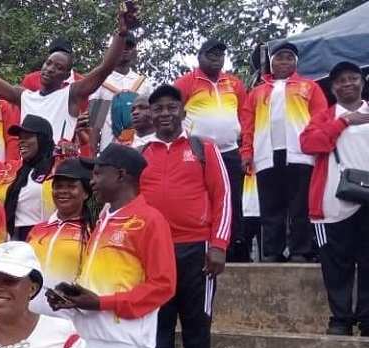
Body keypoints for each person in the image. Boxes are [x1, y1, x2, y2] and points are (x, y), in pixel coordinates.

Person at [40, 144, 175, 348]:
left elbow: (162, 286)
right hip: (87, 346)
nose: (93, 180)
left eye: (99, 173)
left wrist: (99, 303)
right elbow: (99, 281)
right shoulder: (102, 217)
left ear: (122, 175)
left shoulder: (149, 220)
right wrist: (72, 299)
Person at [139, 85, 231, 348]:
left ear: (182, 111)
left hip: (198, 251)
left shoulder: (203, 148)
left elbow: (223, 198)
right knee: (158, 330)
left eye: (171, 107)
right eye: (158, 108)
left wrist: (219, 245)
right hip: (154, 253)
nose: (165, 114)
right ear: (150, 113)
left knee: (196, 329)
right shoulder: (141, 153)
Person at [0, 7, 129, 149]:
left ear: (65, 75)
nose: (50, 69)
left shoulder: (70, 95)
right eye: (48, 63)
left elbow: (104, 68)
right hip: (28, 169)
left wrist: (121, 33)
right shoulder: (25, 96)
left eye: (59, 67)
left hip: (56, 167)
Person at [241, 42, 327, 263]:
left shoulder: (310, 86)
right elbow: (247, 126)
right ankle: (273, 251)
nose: (284, 62)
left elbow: (321, 119)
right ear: (272, 62)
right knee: (271, 206)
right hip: (266, 155)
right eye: (280, 57)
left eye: (289, 58)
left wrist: (318, 148)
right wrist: (246, 153)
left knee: (300, 205)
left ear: (295, 62)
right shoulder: (257, 92)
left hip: (301, 153)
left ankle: (300, 250)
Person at [300, 61, 369, 337]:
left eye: (353, 78)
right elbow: (309, 144)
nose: (348, 84)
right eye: (341, 81)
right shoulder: (325, 117)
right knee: (336, 264)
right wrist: (343, 122)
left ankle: (367, 319)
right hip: (333, 204)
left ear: (362, 83)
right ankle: (340, 319)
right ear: (333, 88)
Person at [173, 39, 249, 262]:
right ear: (199, 57)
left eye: (220, 55)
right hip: (199, 154)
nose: (216, 58)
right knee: (204, 198)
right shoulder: (185, 83)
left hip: (230, 151)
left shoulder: (234, 84)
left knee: (232, 199)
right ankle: (206, 245)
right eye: (211, 54)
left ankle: (234, 246)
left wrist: (245, 150)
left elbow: (245, 116)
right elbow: (174, 114)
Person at [25, 158, 96, 289]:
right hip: (30, 307)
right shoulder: (37, 229)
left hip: (69, 308)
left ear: (86, 193)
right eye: (58, 186)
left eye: (71, 186)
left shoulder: (93, 233)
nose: (62, 191)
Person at [90, 35, 155, 151]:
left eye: (129, 47)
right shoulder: (102, 81)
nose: (125, 50)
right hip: (110, 148)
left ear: (134, 53)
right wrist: (93, 154)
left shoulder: (144, 83)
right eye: (121, 46)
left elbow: (154, 118)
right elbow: (96, 123)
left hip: (142, 147)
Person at [4, 115, 58, 240]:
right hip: (15, 237)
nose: (21, 141)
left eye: (27, 137)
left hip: (43, 236)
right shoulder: (21, 172)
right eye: (20, 138)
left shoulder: (57, 167)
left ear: (42, 139)